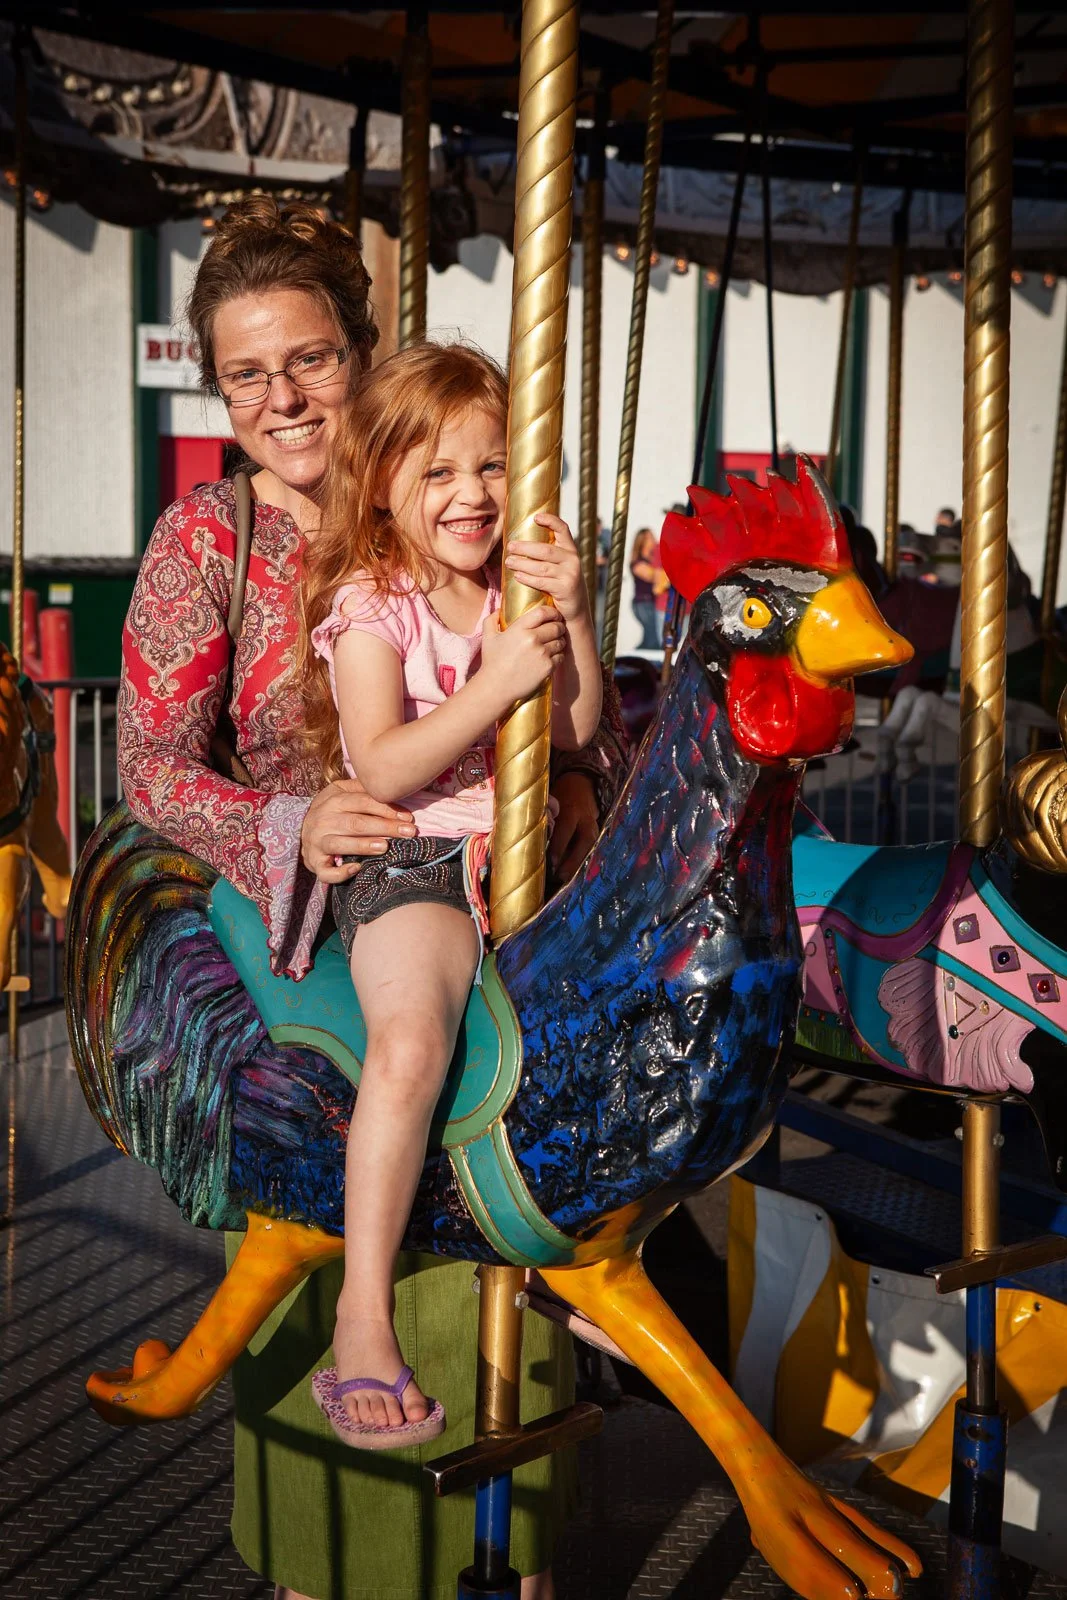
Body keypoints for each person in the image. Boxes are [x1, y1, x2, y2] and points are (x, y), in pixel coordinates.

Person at [118, 196, 628, 1600]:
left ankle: (516, 1506)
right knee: (376, 1081)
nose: (281, 396)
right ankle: (326, 1516)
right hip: (317, 884)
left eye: (310, 359)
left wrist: (579, 770)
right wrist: (287, 812)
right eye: (245, 372)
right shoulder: (206, 544)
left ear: (362, 351)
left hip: (483, 861)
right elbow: (151, 769)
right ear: (217, 388)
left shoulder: (448, 518)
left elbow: (581, 711)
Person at [300, 343, 602, 1442]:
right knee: (414, 1047)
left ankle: (599, 1250)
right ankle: (361, 1314)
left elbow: (572, 731)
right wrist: (501, 680)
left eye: (494, 467)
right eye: (438, 473)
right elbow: (378, 763)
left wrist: (573, 618)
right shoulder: (369, 601)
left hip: (523, 855)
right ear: (380, 480)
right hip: (409, 860)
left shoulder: (514, 593)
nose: (472, 495)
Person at [629, 526, 665, 648]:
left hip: (650, 603)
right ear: (643, 542)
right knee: (653, 638)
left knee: (650, 637)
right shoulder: (638, 562)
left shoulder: (652, 560)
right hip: (643, 603)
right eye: (650, 537)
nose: (654, 540)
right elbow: (654, 576)